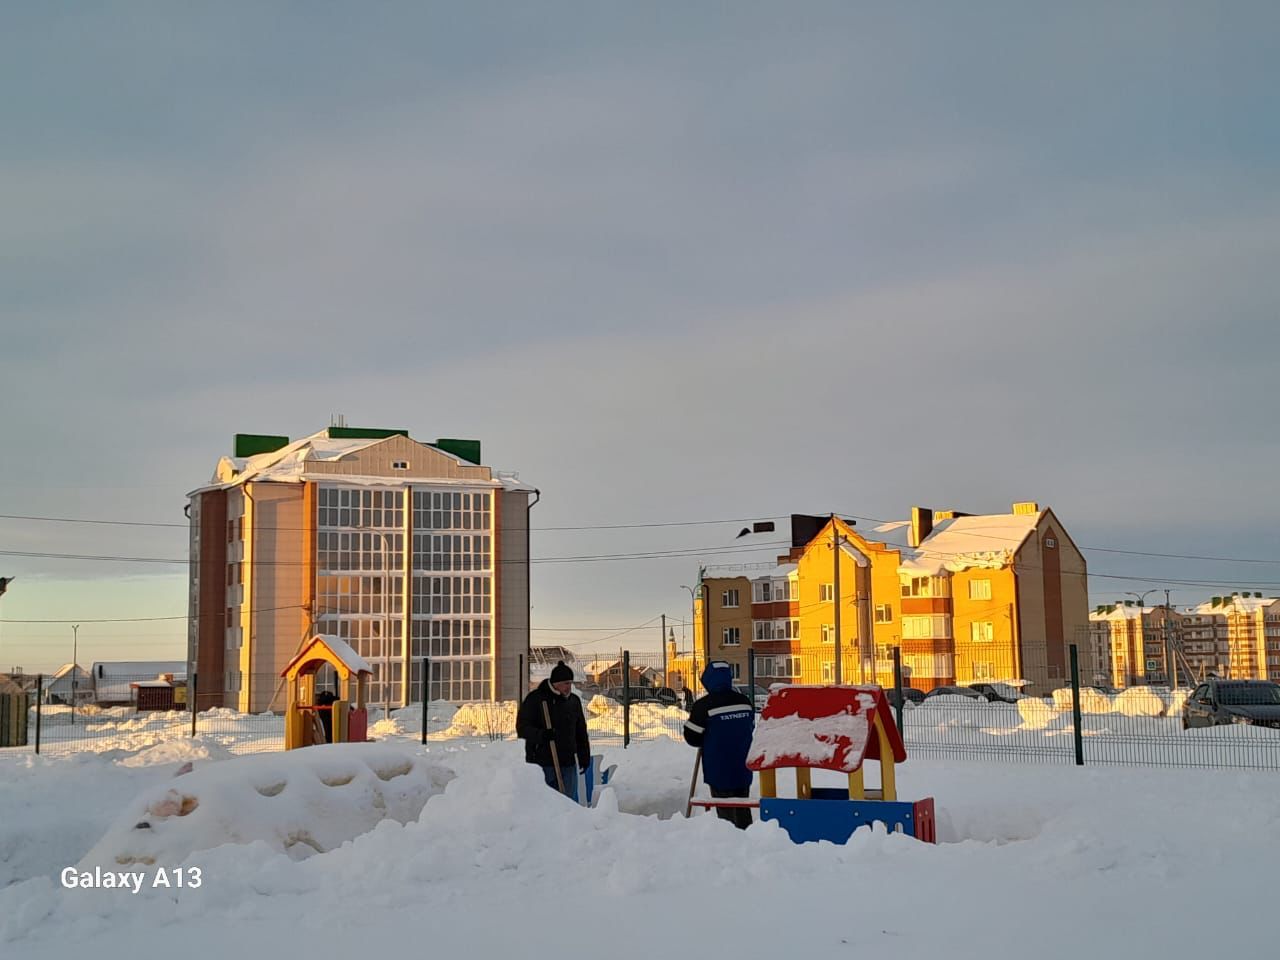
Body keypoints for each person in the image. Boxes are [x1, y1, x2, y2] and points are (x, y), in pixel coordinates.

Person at [683, 661, 755, 829]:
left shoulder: (703, 706)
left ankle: (729, 844)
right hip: (743, 766)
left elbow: (692, 737)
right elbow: (750, 726)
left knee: (725, 814)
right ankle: (749, 842)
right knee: (742, 808)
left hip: (718, 768)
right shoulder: (744, 701)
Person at [517, 661, 591, 801]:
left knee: (568, 804)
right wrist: (542, 735)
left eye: (570, 683)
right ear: (555, 683)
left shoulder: (573, 701)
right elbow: (522, 728)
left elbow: (580, 731)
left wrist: (584, 756)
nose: (569, 687)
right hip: (542, 763)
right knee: (544, 804)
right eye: (565, 683)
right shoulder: (536, 699)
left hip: (567, 762)